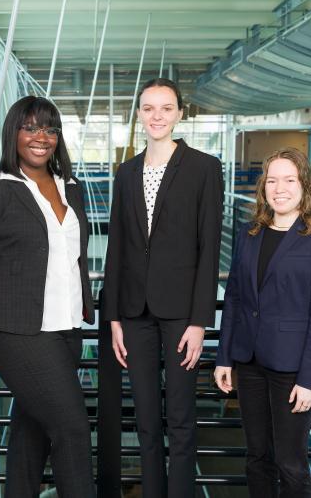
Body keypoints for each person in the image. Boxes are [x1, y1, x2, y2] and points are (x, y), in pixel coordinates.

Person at [0, 96, 96, 498]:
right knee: (71, 428)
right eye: (31, 127)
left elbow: (74, 258)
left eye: (50, 129)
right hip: (15, 331)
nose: (41, 137)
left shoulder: (72, 188)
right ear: (12, 131)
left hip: (66, 328)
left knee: (31, 431)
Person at [102, 78, 224, 498]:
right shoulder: (126, 171)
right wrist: (114, 316)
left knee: (182, 420)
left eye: (166, 108)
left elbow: (210, 248)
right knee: (147, 422)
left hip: (180, 315)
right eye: (149, 108)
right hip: (134, 313)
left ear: (179, 114)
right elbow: (116, 246)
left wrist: (200, 322)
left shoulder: (204, 168)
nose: (157, 116)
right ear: (139, 114)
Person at [214, 147, 311, 498]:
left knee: (291, 464)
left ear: (304, 186)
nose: (280, 188)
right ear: (263, 187)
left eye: (289, 179)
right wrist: (225, 357)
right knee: (257, 457)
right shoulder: (249, 233)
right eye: (272, 180)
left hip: (292, 369)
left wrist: (310, 380)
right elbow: (235, 298)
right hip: (250, 362)